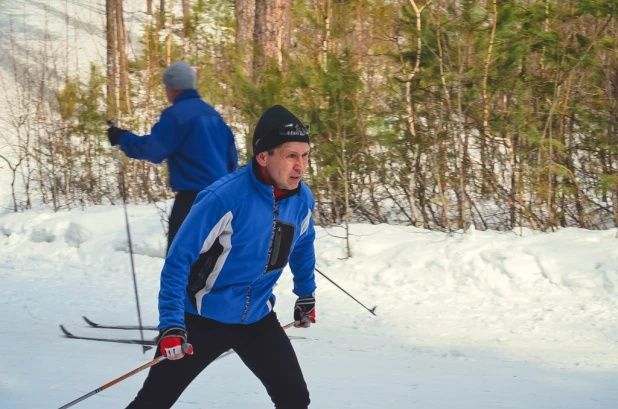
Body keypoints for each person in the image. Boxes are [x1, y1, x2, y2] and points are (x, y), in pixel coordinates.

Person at [125, 105, 317, 409]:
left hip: (257, 318)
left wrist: (306, 294)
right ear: (264, 156)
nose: (301, 166)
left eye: (305, 155)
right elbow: (177, 261)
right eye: (291, 156)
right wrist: (172, 325)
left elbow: (304, 244)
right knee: (154, 401)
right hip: (201, 320)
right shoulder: (223, 198)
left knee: (294, 398)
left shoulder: (302, 198)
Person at [107, 61, 238, 252]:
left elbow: (154, 150)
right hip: (221, 199)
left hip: (192, 200)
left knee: (180, 261)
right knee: (213, 262)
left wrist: (122, 137)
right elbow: (232, 160)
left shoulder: (176, 115)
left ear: (173, 88)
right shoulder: (214, 115)